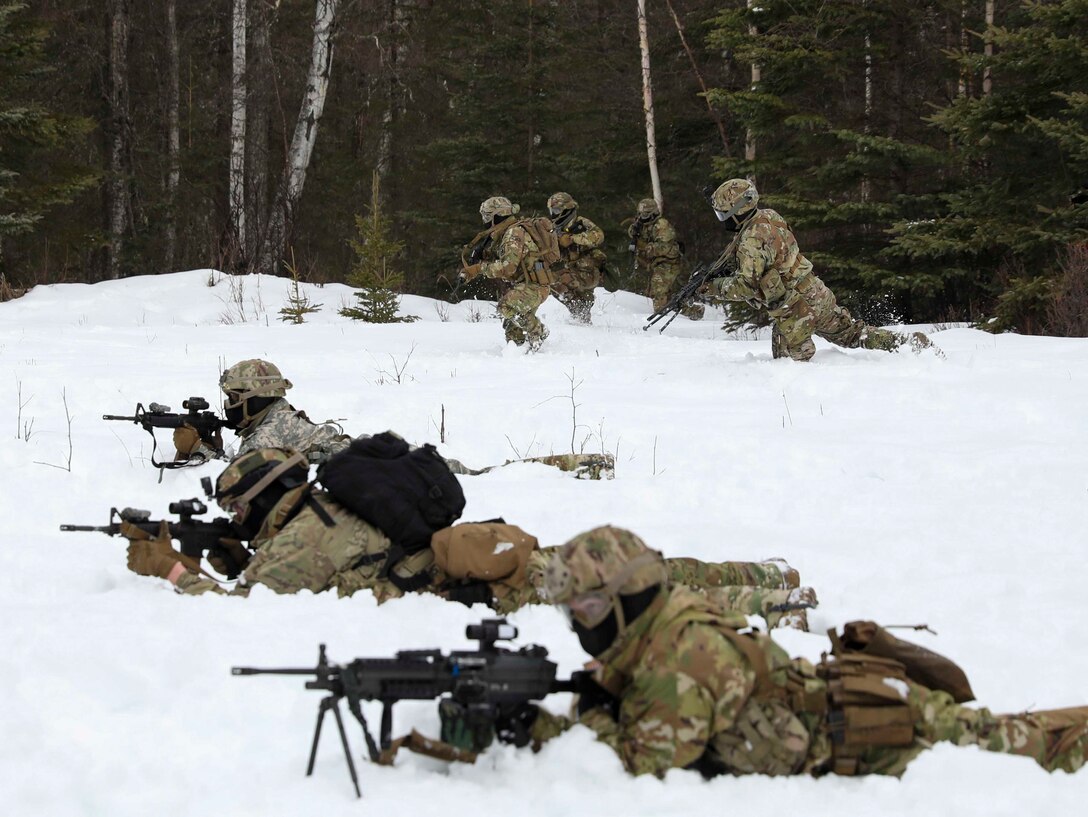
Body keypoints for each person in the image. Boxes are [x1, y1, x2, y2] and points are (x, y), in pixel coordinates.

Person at [518, 526, 1087, 778]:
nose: (579, 626)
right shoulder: (670, 619)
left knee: (1012, 741)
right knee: (988, 731)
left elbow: (640, 765)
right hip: (836, 704)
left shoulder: (680, 667)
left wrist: (584, 714)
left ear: (625, 601)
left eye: (586, 612)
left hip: (864, 736)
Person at [122, 447, 814, 626]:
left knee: (632, 605)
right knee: (633, 564)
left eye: (243, 511)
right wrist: (242, 553)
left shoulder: (302, 540)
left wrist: (174, 571)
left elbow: (244, 612)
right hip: (487, 549)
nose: (240, 521)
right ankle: (763, 575)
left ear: (264, 499)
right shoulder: (334, 500)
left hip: (478, 583)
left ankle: (774, 610)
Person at [174, 358, 614, 479]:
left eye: (233, 397)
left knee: (486, 476)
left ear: (255, 398)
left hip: (382, 465)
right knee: (479, 474)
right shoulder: (275, 421)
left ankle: (581, 468)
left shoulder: (273, 427)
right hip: (376, 457)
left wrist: (201, 449)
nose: (228, 405)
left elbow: (244, 475)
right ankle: (581, 467)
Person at [704, 179, 934, 361]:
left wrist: (712, 288)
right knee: (851, 333)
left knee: (788, 363)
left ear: (738, 211)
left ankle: (808, 389)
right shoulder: (768, 216)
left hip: (796, 306)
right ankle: (906, 344)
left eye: (723, 214)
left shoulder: (751, 240)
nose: (722, 220)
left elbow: (745, 286)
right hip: (815, 290)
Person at [461, 196, 558, 351]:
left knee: (506, 307)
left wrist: (479, 269)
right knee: (513, 331)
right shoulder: (509, 231)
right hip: (529, 284)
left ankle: (538, 332)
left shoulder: (513, 233)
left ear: (497, 216)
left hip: (533, 286)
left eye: (487, 216)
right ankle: (518, 355)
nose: (485, 220)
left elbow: (508, 268)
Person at [628, 198, 703, 321]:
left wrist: (644, 246)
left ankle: (660, 317)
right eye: (640, 214)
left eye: (645, 214)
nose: (642, 217)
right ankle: (694, 312)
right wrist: (634, 230)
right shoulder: (643, 224)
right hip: (656, 263)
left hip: (668, 262)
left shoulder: (662, 225)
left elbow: (664, 247)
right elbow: (633, 232)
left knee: (658, 290)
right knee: (666, 296)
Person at [547, 192, 605, 324]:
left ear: (566, 209)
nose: (553, 213)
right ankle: (580, 315)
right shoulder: (552, 227)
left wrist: (573, 239)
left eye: (556, 210)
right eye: (552, 210)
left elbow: (598, 235)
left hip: (588, 271)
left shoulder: (581, 222)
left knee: (560, 280)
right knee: (550, 280)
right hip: (570, 271)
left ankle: (581, 312)